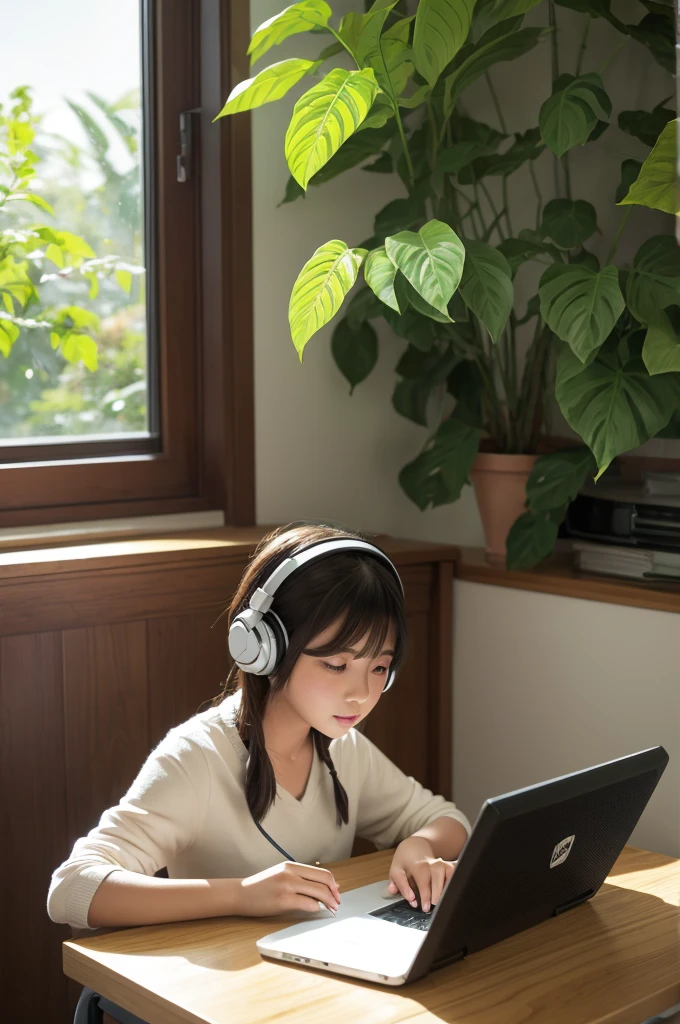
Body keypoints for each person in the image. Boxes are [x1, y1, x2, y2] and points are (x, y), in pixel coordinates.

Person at [47, 522, 470, 931]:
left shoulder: (345, 749)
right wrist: (240, 894)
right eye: (337, 664)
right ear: (264, 648)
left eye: (379, 667)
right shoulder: (195, 758)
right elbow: (71, 890)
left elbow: (447, 819)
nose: (361, 693)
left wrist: (422, 844)